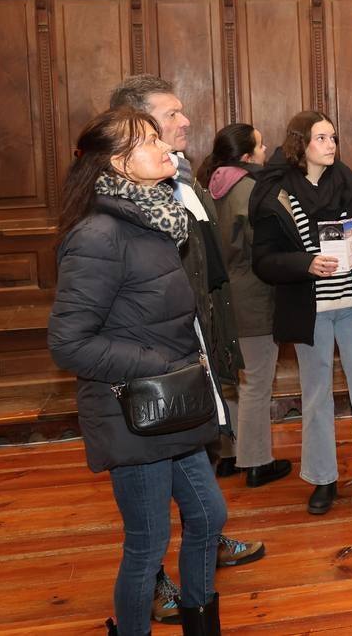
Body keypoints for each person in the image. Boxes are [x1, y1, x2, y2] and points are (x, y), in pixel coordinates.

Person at [48, 108, 226, 635]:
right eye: (150, 141)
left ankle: (201, 623)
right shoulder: (99, 235)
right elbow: (69, 342)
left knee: (209, 517)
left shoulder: (153, 220)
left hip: (172, 400)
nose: (166, 148)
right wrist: (160, 365)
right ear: (120, 163)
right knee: (148, 544)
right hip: (133, 408)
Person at [108, 76, 264, 624]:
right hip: (152, 382)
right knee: (147, 531)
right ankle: (153, 584)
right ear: (135, 129)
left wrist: (213, 351)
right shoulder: (109, 222)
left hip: (194, 352)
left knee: (204, 504)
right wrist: (161, 365)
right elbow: (82, 331)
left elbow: (205, 275)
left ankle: (199, 569)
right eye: (171, 115)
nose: (185, 123)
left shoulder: (182, 188)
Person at [249, 110, 352, 516]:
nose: (331, 145)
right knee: (316, 397)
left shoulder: (349, 182)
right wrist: (305, 263)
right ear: (301, 144)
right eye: (322, 138)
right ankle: (323, 480)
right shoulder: (276, 191)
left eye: (333, 137)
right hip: (310, 311)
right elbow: (264, 260)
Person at [196, 124, 292, 490]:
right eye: (261, 144)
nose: (267, 149)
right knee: (256, 383)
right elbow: (264, 246)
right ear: (248, 157)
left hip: (220, 297)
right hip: (253, 296)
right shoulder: (252, 189)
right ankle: (257, 461)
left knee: (231, 380)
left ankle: (232, 453)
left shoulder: (207, 186)